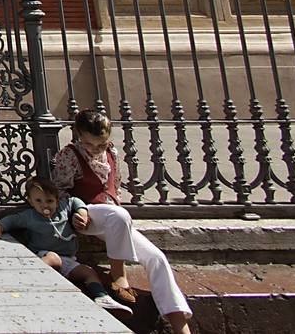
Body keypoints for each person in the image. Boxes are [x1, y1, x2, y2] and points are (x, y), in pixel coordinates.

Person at [53, 108, 193, 334]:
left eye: (101, 144)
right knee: (119, 215)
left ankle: (180, 323)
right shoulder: (69, 155)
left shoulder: (112, 153)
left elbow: (114, 185)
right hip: (86, 213)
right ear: (79, 136)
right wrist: (79, 211)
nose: (96, 149)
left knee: (156, 257)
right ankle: (118, 273)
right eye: (89, 144)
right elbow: (60, 191)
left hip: (114, 218)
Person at [0, 176, 133, 320]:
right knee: (53, 259)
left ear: (57, 201)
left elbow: (75, 201)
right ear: (31, 201)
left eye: (49, 201)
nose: (45, 205)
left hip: (68, 259)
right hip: (45, 254)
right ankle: (30, 277)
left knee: (88, 272)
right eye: (38, 201)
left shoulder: (63, 209)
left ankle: (102, 297)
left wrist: (82, 212)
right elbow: (12, 220)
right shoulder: (30, 217)